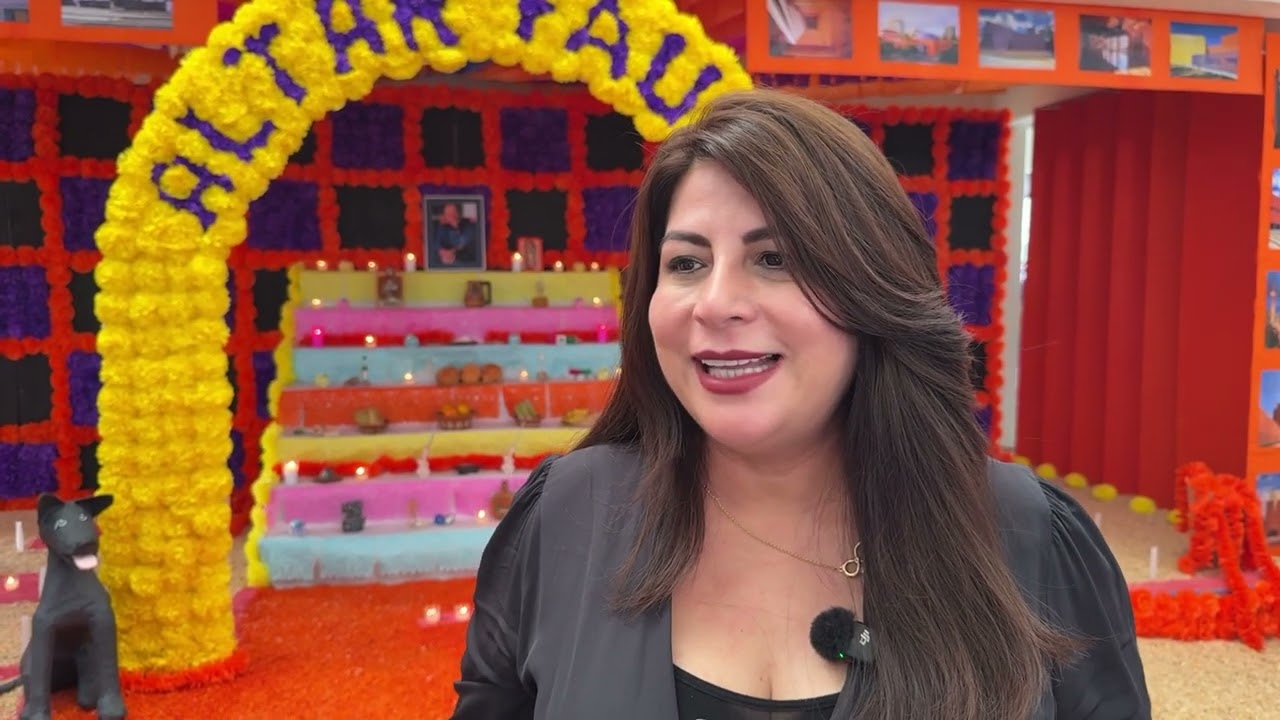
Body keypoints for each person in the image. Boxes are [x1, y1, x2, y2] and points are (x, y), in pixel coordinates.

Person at [450, 89, 1150, 719]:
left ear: (871, 288)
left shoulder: (1028, 536)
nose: (716, 303)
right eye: (687, 263)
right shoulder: (566, 514)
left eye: (774, 259)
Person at [429, 201, 480, 267]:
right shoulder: (460, 241)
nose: (448, 217)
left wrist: (453, 226)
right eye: (447, 214)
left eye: (452, 214)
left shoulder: (468, 229)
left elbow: (459, 242)